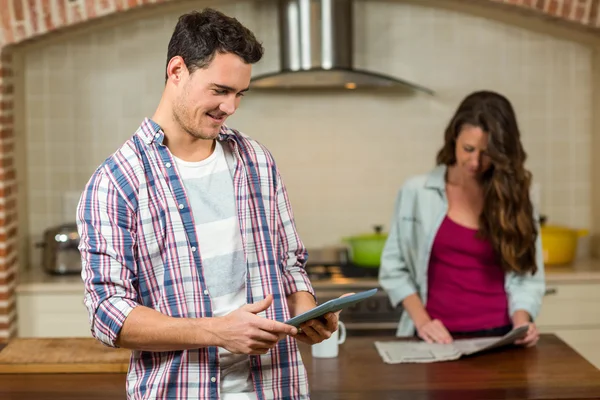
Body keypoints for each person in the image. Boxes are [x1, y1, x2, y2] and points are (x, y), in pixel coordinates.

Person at [77, 9, 343, 400]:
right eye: (219, 90)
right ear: (177, 71)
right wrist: (216, 331)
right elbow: (108, 314)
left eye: (239, 94)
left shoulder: (256, 161)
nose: (230, 107)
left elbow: (289, 264)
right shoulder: (116, 182)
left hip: (277, 387)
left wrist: (307, 311)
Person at [379, 90, 545, 347]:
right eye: (468, 149)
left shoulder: (518, 195)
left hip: (502, 340)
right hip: (434, 339)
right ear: (454, 137)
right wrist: (422, 322)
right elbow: (393, 268)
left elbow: (527, 274)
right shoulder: (416, 192)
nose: (476, 162)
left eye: (487, 153)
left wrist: (522, 321)